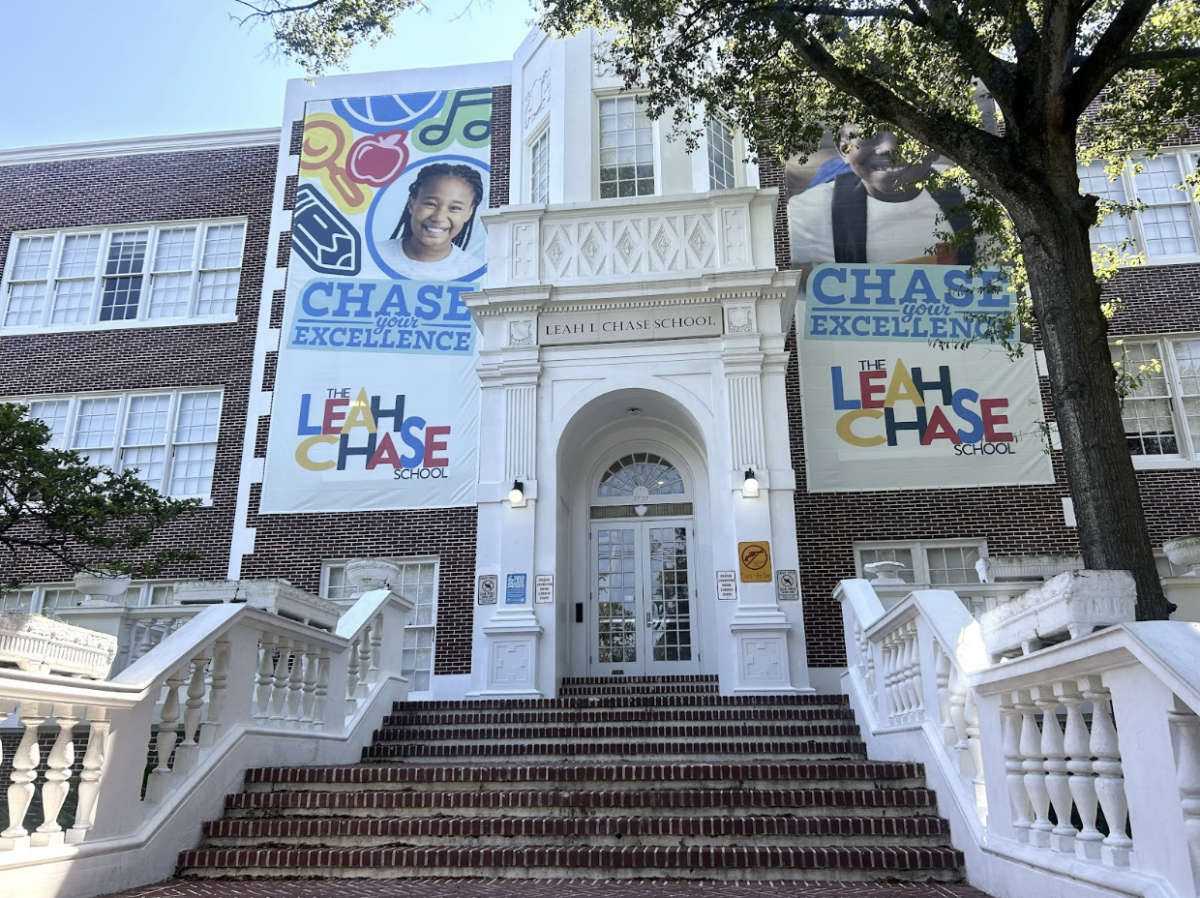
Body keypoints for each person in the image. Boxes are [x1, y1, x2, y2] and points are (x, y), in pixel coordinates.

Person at [788, 126, 974, 266]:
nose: (890, 147)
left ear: (935, 146)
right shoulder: (809, 212)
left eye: (907, 131)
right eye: (869, 133)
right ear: (844, 149)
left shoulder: (970, 194)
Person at [377, 162, 485, 280]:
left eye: (454, 208)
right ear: (412, 204)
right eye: (431, 204)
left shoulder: (475, 272)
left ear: (469, 213)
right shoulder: (372, 256)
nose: (439, 217)